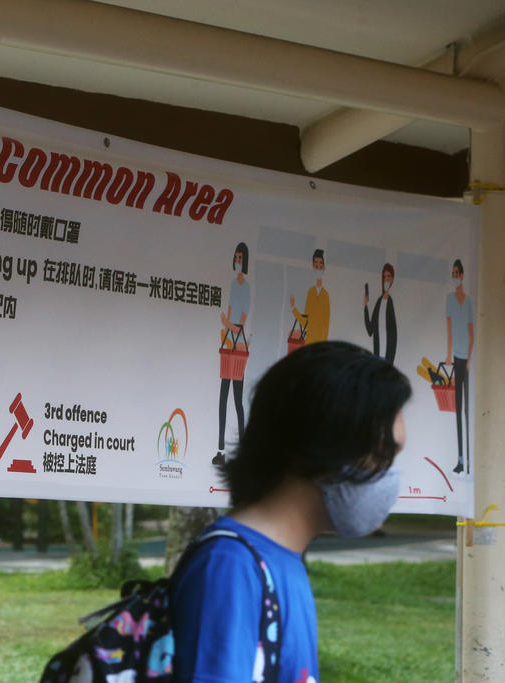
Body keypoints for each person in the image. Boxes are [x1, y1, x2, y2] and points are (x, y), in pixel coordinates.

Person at [172, 342, 411, 682]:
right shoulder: (230, 566)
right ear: (327, 444)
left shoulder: (281, 560)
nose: (390, 476)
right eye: (383, 455)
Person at [215, 242, 250, 466]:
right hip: (229, 345)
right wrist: (225, 331)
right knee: (222, 399)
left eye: (240, 258)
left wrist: (229, 324)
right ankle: (220, 450)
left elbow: (241, 323)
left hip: (239, 346)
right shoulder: (231, 284)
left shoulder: (245, 287)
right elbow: (228, 312)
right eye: (236, 257)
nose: (237, 261)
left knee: (237, 400)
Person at [445, 259, 473, 474]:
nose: (455, 275)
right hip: (456, 358)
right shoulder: (449, 299)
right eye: (453, 272)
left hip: (467, 360)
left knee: (466, 410)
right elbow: (450, 330)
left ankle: (469, 461)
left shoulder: (469, 302)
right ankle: (460, 460)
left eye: (457, 272)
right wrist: (448, 356)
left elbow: (472, 334)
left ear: (462, 275)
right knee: (458, 409)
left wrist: (470, 361)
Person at [291, 249, 330, 344]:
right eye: (316, 265)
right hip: (309, 341)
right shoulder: (310, 293)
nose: (318, 268)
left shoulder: (325, 295)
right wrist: (293, 309)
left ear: (324, 268)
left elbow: (326, 324)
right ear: (313, 267)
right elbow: (306, 322)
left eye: (320, 265)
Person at [363, 263, 397, 363]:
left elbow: (393, 335)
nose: (386, 279)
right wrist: (365, 307)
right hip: (377, 356)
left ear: (392, 279)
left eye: (388, 276)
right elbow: (370, 330)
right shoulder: (379, 302)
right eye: (384, 277)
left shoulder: (390, 303)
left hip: (388, 357)